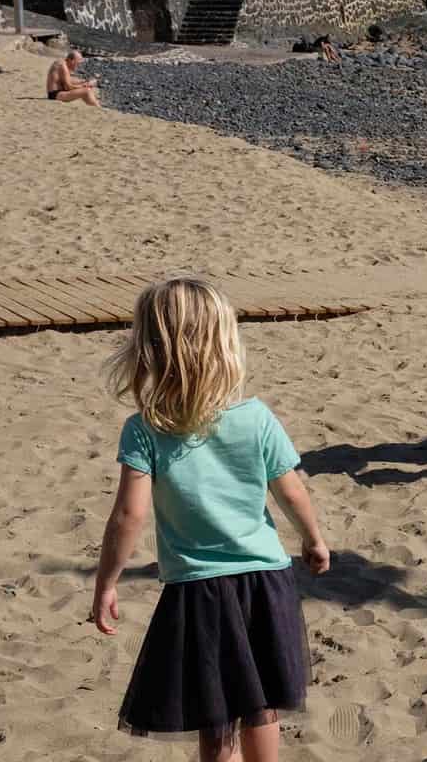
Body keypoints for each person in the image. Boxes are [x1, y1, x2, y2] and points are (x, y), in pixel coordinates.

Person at [91, 277, 329, 762]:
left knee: (215, 713)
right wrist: (313, 539)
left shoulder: (144, 429)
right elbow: (290, 489)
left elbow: (128, 515)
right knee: (261, 705)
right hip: (266, 581)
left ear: (149, 349)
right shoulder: (256, 417)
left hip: (200, 591)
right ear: (225, 343)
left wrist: (107, 582)